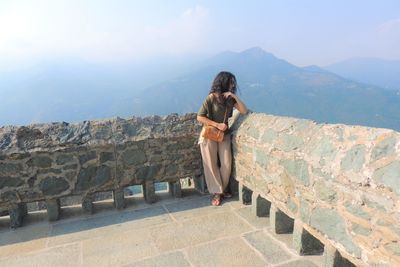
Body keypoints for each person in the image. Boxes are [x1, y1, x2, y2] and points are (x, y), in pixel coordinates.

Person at [197, 71, 248, 206]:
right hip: (209, 135)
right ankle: (217, 193)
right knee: (211, 164)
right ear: (223, 82)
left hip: (224, 135)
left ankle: (220, 190)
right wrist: (216, 124)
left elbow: (244, 111)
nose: (233, 84)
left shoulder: (230, 100)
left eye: (233, 82)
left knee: (226, 164)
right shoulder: (211, 98)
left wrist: (234, 96)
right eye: (230, 82)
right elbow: (200, 117)